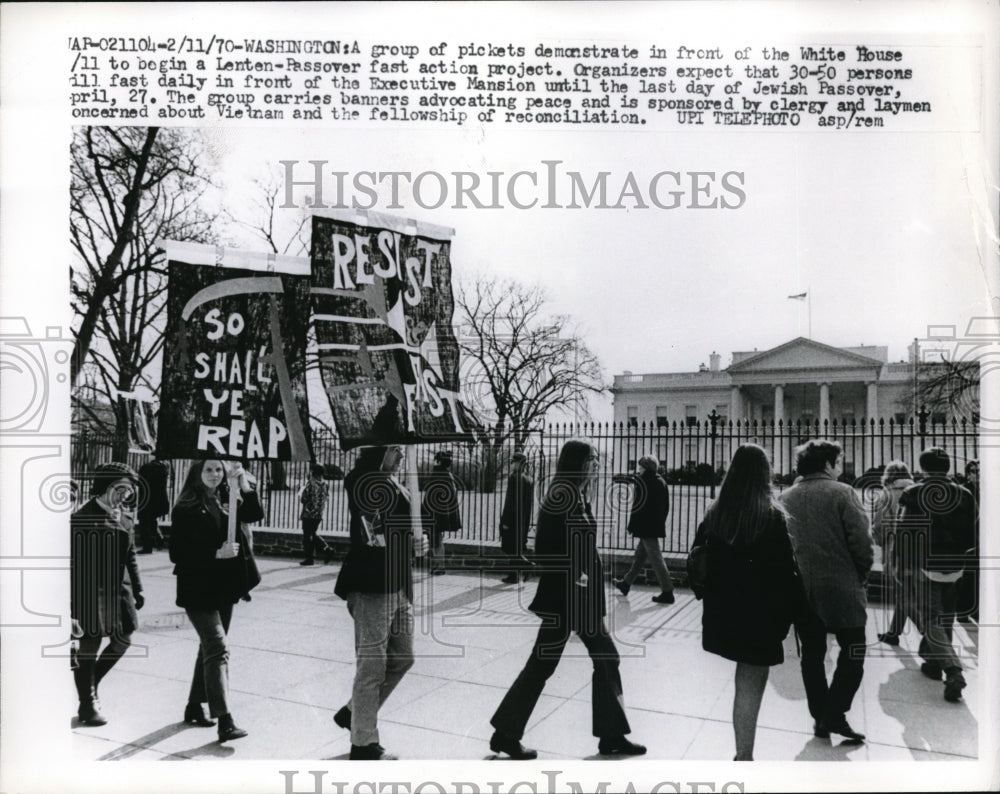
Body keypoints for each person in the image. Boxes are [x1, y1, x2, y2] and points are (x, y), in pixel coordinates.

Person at [489, 439, 646, 760]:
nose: (596, 466)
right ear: (578, 463)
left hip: (575, 598)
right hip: (568, 598)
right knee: (588, 659)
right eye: (592, 460)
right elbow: (546, 549)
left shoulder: (574, 494)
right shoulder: (563, 496)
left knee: (552, 664)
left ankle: (508, 732)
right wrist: (578, 575)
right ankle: (609, 734)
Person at [692, 444, 803, 761]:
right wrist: (790, 620)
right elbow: (785, 576)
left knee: (745, 684)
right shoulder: (771, 517)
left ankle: (744, 755)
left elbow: (698, 562)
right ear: (764, 475)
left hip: (724, 614)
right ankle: (744, 755)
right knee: (750, 686)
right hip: (760, 618)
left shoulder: (715, 513)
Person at [333, 446, 428, 760]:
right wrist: (393, 407)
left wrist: (418, 541)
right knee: (371, 667)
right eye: (394, 450)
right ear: (377, 452)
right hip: (372, 586)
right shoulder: (364, 481)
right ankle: (363, 743)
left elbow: (398, 528)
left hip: (398, 585)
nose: (400, 456)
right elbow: (377, 531)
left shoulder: (394, 482)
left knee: (402, 658)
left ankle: (352, 713)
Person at [779, 440, 872, 743]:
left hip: (801, 589)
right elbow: (861, 541)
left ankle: (821, 716)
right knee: (854, 649)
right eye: (838, 461)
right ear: (828, 464)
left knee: (812, 655)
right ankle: (835, 712)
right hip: (842, 585)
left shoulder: (785, 497)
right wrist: (862, 573)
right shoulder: (843, 492)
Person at [169, 459, 263, 742]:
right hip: (198, 589)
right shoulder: (185, 507)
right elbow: (177, 553)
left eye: (218, 469)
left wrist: (243, 483)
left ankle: (194, 706)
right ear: (197, 473)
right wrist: (215, 553)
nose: (214, 474)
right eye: (208, 469)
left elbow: (255, 513)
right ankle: (225, 719)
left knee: (209, 649)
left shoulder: (225, 500)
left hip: (223, 588)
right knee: (218, 648)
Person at [898, 447, 977, 702]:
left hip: (924, 565)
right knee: (946, 618)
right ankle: (933, 664)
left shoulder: (913, 493)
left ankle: (953, 670)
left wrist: (902, 564)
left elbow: (904, 532)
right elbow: (973, 533)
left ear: (922, 467)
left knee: (931, 619)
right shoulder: (965, 495)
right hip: (955, 565)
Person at [70, 462, 144, 726]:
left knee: (124, 638)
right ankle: (87, 704)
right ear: (105, 486)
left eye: (129, 489)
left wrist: (138, 587)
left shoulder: (124, 516)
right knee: (89, 645)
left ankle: (92, 681)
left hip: (119, 591)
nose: (125, 494)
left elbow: (130, 556)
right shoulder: (82, 517)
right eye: (120, 487)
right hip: (90, 590)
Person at [614, 455, 675, 604]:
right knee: (640, 556)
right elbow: (666, 506)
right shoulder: (660, 481)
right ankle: (626, 583)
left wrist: (632, 526)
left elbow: (638, 508)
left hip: (647, 526)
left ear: (646, 468)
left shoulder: (644, 481)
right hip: (654, 525)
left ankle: (668, 592)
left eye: (640, 467)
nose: (638, 469)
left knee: (655, 557)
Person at [872, 461, 916, 646]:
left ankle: (930, 635)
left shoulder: (886, 495)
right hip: (918, 548)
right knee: (907, 593)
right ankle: (894, 631)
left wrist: (880, 542)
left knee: (903, 593)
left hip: (894, 548)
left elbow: (880, 525)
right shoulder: (917, 491)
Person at [422, 450, 462, 576]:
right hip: (441, 514)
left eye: (435, 459)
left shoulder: (438, 474)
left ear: (438, 461)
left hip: (435, 514)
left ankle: (439, 566)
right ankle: (438, 565)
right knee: (437, 539)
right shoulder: (447, 474)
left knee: (436, 540)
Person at [499, 452, 534, 584]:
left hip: (512, 520)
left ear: (519, 463)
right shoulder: (528, 479)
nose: (511, 464)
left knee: (510, 548)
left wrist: (506, 521)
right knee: (516, 548)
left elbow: (510, 502)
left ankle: (528, 566)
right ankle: (514, 575)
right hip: (523, 520)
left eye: (513, 462)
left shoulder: (514, 478)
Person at [957, 458, 980, 624]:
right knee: (968, 577)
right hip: (968, 539)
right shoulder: (965, 491)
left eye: (980, 471)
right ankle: (964, 610)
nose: (978, 474)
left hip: (984, 537)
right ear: (968, 475)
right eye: (974, 471)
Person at [136, 456, 171, 553]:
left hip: (147, 499)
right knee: (152, 520)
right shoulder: (165, 468)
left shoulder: (146, 467)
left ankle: (148, 547)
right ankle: (159, 538)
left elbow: (140, 482)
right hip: (160, 500)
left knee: (144, 523)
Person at [299, 463, 330, 566]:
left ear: (312, 472)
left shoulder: (310, 483)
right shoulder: (325, 484)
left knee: (307, 535)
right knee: (313, 533)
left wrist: (301, 491)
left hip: (309, 513)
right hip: (319, 514)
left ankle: (310, 558)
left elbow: (303, 499)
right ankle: (326, 549)